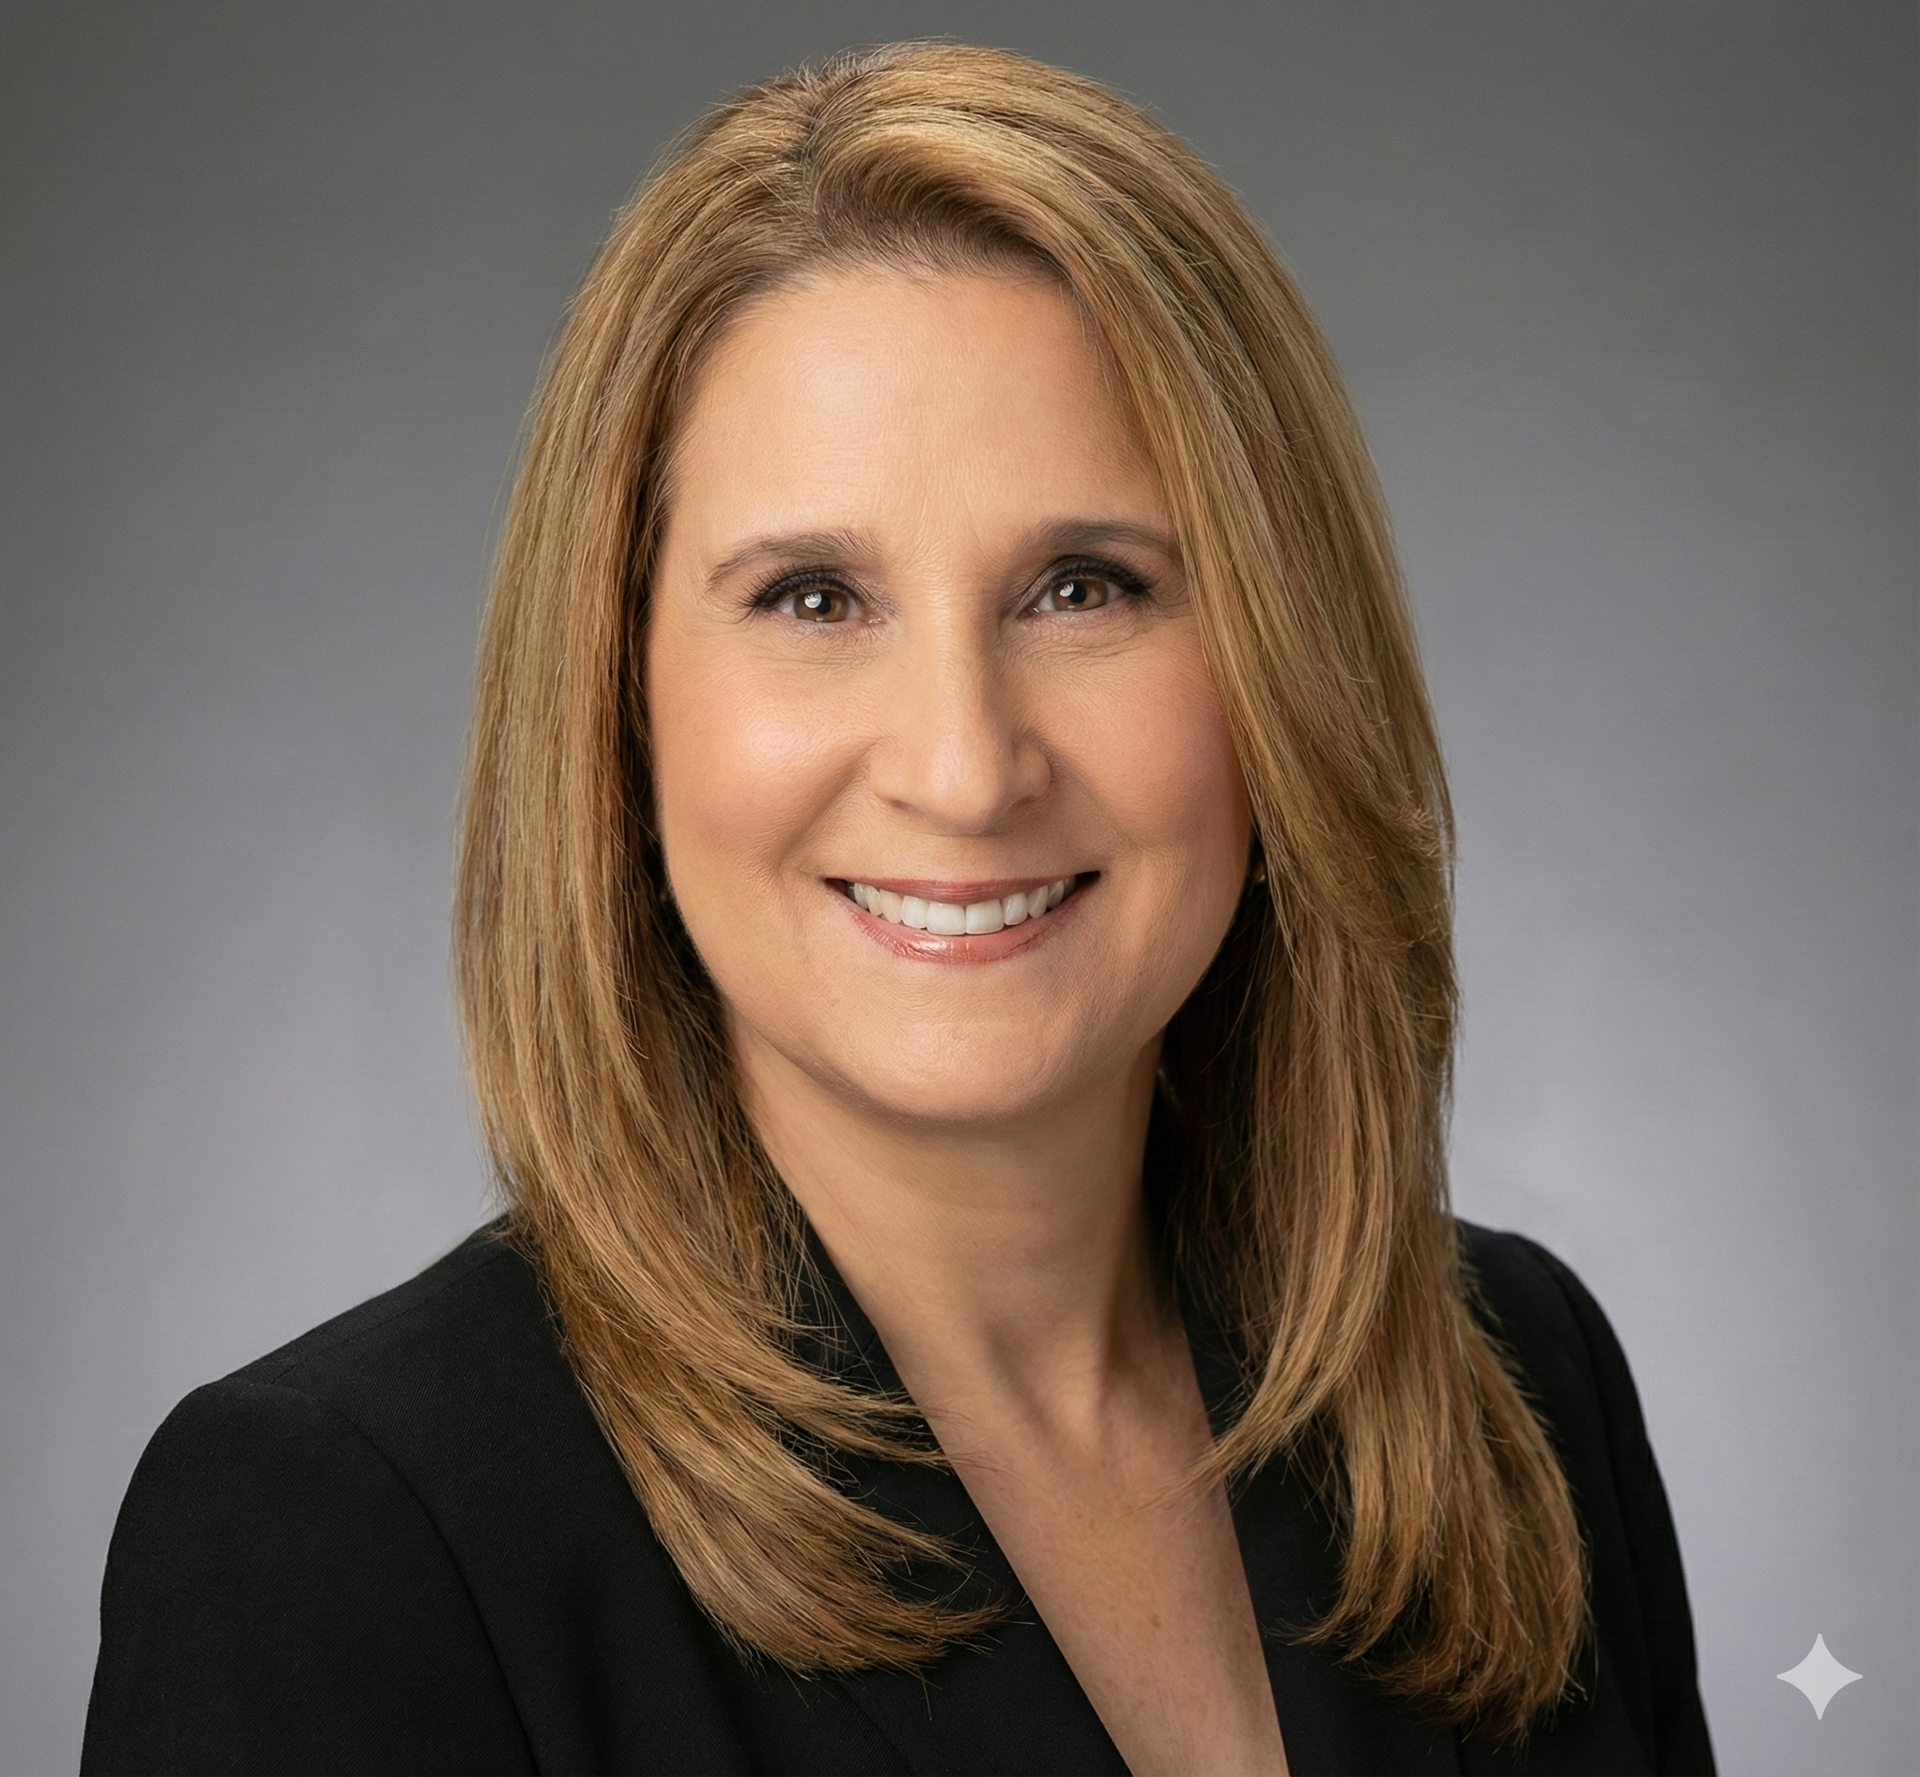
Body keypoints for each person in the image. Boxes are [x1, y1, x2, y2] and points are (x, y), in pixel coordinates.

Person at [81, 42, 1713, 1777]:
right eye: (813, 598)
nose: (964, 765)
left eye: (1085, 587)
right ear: (618, 703)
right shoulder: (335, 1537)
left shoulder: (1515, 1386)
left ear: (1282, 664)